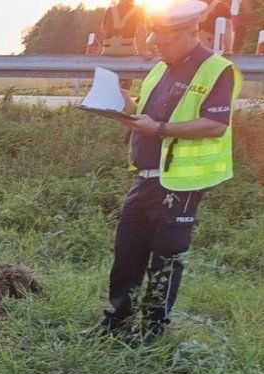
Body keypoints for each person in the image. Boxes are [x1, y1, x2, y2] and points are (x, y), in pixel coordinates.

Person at [93, 0, 242, 344]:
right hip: (144, 177)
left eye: (165, 38)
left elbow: (215, 125)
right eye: (155, 37)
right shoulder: (161, 67)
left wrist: (159, 129)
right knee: (127, 253)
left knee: (166, 257)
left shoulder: (216, 69)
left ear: (191, 32)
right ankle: (115, 324)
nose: (158, 45)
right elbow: (146, 113)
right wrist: (123, 104)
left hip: (180, 183)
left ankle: (151, 334)